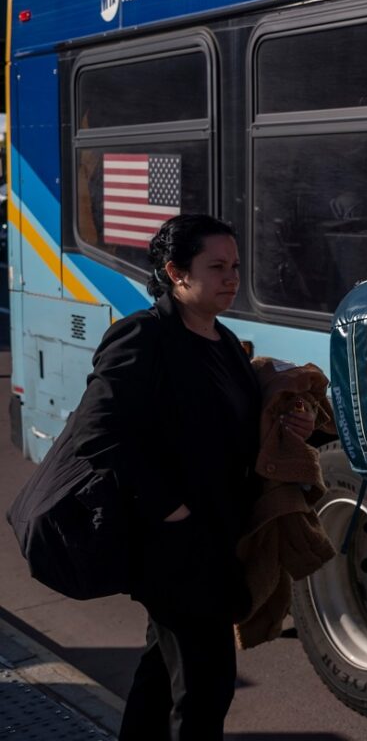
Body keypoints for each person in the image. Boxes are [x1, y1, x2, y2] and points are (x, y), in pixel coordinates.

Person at [70, 215, 317, 740]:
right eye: (217, 267)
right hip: (173, 545)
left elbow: (232, 425)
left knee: (162, 677)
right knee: (206, 689)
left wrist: (290, 424)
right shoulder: (144, 336)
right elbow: (96, 433)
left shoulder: (222, 339)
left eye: (236, 266)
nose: (232, 278)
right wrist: (171, 510)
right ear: (176, 273)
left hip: (217, 535)